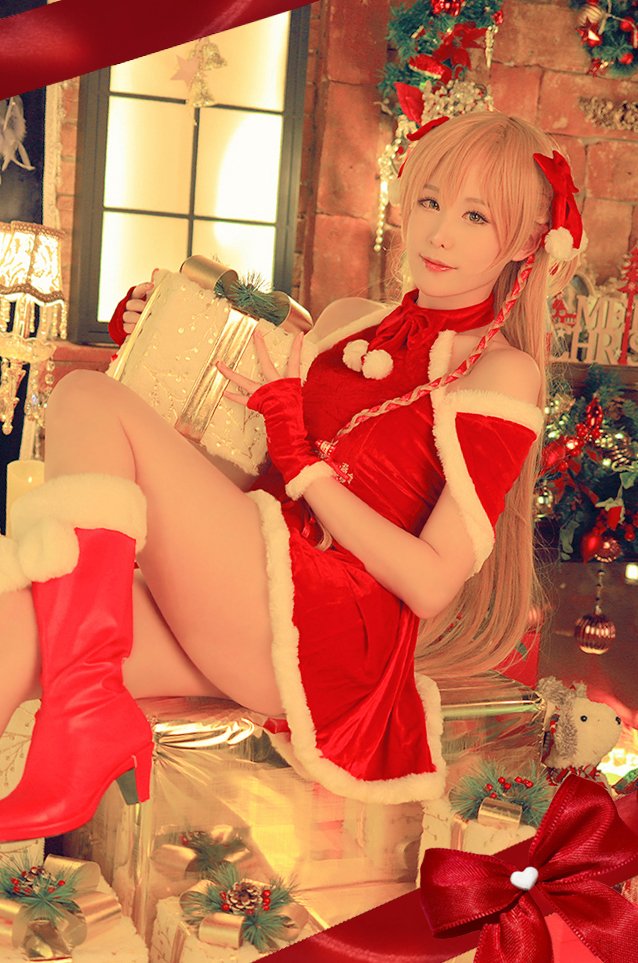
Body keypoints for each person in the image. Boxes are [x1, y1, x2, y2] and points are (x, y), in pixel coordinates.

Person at [0, 110, 583, 840]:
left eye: (476, 216)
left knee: (85, 396)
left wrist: (308, 471)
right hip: (255, 591)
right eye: (431, 201)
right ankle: (88, 713)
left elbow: (433, 581)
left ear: (529, 242)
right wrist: (160, 359)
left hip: (332, 636)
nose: (439, 233)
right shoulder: (343, 323)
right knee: (13, 617)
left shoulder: (502, 372)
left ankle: (87, 717)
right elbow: (252, 483)